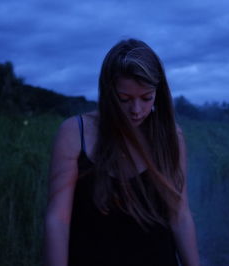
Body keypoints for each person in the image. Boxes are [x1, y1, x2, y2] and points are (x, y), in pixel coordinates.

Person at [44, 38, 200, 266]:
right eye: (124, 99)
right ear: (108, 93)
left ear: (158, 92)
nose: (136, 110)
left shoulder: (170, 137)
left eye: (146, 98)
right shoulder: (75, 133)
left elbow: (180, 216)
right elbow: (57, 220)